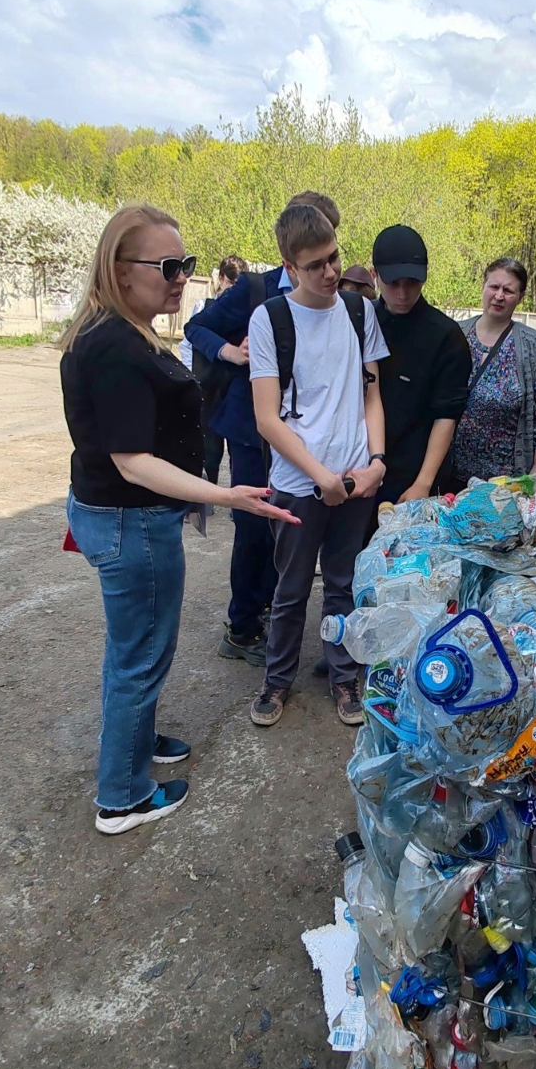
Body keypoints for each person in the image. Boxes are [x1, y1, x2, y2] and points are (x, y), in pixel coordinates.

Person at [59, 204, 297, 835]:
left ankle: (135, 745)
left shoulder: (128, 329)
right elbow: (132, 461)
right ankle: (124, 796)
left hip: (128, 517)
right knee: (141, 655)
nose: (181, 278)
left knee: (134, 649)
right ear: (119, 268)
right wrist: (227, 497)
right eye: (168, 266)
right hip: (132, 521)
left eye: (186, 265)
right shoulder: (113, 345)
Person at [184, 191, 342, 669]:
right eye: (312, 254)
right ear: (289, 256)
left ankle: (271, 604)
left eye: (331, 248)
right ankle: (242, 625)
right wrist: (233, 353)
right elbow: (197, 327)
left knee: (288, 525)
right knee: (253, 525)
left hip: (303, 436)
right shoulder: (255, 290)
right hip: (254, 433)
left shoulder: (334, 299)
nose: (325, 266)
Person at [247, 202, 389, 729]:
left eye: (334, 258)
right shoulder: (271, 319)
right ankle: (276, 680)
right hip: (298, 482)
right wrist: (319, 476)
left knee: (343, 585)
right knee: (289, 591)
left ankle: (344, 678)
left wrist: (375, 461)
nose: (330, 272)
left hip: (356, 479)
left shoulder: (359, 311)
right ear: (289, 268)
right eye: (315, 265)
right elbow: (267, 418)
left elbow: (371, 395)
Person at [370, 224, 469, 503]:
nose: (402, 294)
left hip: (414, 477)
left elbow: (447, 416)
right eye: (393, 283)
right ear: (374, 275)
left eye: (411, 283)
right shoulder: (361, 321)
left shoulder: (446, 336)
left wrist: (422, 484)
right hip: (362, 468)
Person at [453, 258, 536, 486]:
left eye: (508, 290)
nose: (499, 296)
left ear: (520, 297)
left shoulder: (533, 347)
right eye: (494, 287)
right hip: (449, 473)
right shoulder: (455, 335)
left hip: (505, 482)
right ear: (483, 286)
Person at [185, 254, 246, 483]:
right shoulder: (204, 307)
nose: (232, 289)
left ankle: (236, 488)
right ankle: (209, 487)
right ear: (220, 279)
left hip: (231, 382)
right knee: (209, 441)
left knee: (236, 441)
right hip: (207, 383)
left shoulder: (244, 311)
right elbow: (189, 341)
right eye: (229, 282)